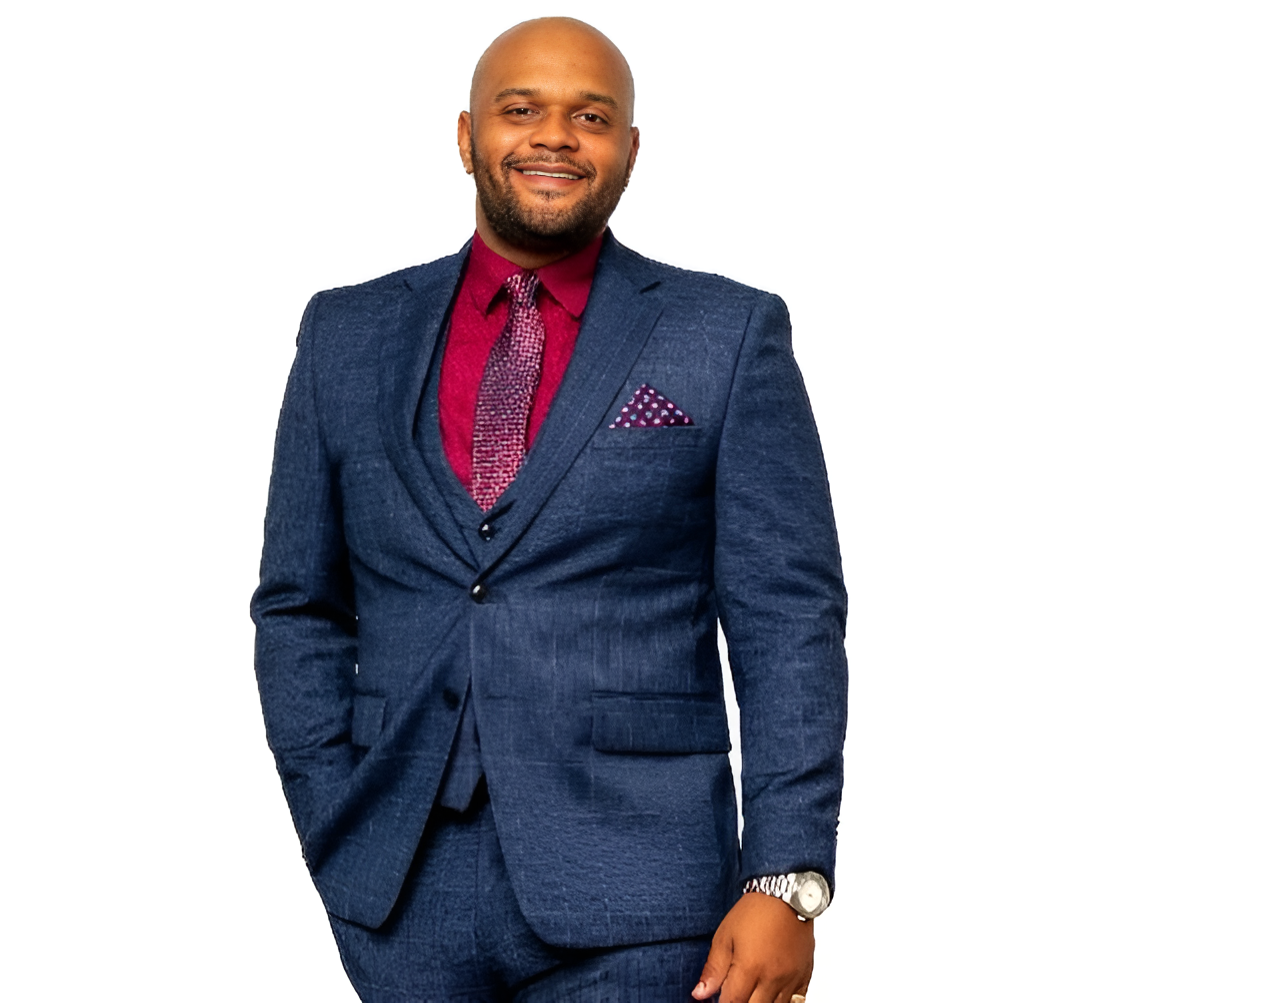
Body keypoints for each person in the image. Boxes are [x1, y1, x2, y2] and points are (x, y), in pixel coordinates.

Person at [251, 17, 847, 1003]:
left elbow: (789, 620)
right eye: (520, 109)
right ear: (465, 135)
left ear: (631, 149)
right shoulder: (345, 335)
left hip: (644, 894)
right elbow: (299, 606)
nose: (555, 137)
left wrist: (784, 877)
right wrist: (333, 809)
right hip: (401, 894)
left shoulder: (726, 333)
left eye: (592, 116)